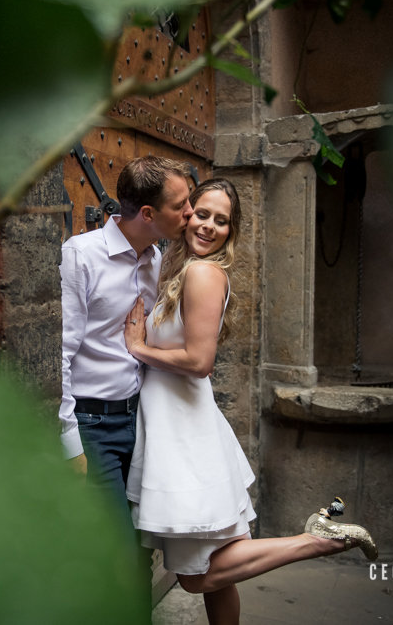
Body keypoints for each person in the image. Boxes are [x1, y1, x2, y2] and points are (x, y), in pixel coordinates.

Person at [123, 179, 377, 625]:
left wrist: (138, 348)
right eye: (202, 214)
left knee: (196, 577)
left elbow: (200, 361)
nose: (208, 226)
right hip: (187, 426)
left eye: (221, 221)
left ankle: (316, 540)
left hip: (184, 438)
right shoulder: (181, 267)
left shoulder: (202, 273)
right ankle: (316, 538)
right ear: (186, 214)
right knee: (221, 573)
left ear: (230, 231)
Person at [59, 156, 193, 529]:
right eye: (180, 204)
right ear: (148, 213)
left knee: (140, 550)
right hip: (92, 426)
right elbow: (62, 353)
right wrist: (71, 446)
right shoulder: (81, 255)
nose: (190, 212)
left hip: (140, 423)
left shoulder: (157, 260)